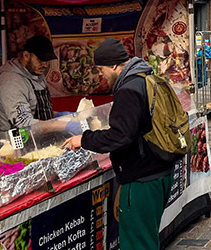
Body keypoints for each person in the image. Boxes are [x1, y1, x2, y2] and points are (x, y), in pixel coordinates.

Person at [62, 38, 174, 249]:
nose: (101, 75)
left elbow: (120, 136)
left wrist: (84, 139)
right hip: (158, 172)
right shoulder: (146, 77)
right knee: (147, 241)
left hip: (142, 180)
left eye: (101, 69)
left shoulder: (129, 89)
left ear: (114, 65)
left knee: (138, 245)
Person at [0, 35, 57, 132]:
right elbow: (23, 123)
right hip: (19, 143)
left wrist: (59, 116)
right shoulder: (11, 83)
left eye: (47, 61)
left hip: (42, 138)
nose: (45, 65)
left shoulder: (36, 72)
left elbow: (40, 111)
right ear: (26, 55)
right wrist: (62, 125)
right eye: (40, 60)